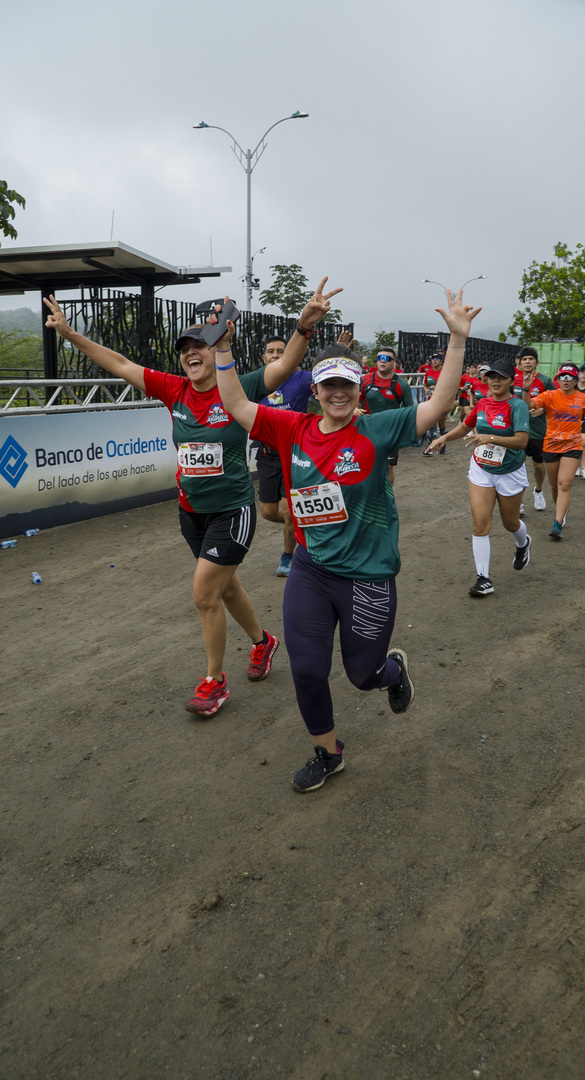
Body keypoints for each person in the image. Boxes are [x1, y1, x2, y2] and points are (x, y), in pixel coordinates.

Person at [212, 284, 480, 791]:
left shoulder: (377, 430)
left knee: (362, 676)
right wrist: (222, 347)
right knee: (308, 670)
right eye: (328, 385)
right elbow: (235, 402)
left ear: (360, 391)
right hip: (311, 571)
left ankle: (392, 672)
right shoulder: (291, 429)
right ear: (315, 390)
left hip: (367, 576)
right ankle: (328, 752)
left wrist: (458, 340)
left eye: (347, 386)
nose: (338, 393)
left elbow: (441, 402)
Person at [43, 280, 341, 717]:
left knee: (204, 594)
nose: (189, 353)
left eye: (198, 345)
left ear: (215, 349)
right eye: (184, 349)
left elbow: (284, 368)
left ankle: (214, 682)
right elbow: (120, 363)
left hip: (232, 511)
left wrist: (303, 326)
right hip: (190, 512)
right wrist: (71, 334)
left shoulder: (238, 387)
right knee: (226, 588)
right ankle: (263, 642)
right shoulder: (174, 389)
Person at [429, 360, 531, 597]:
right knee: (480, 524)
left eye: (501, 377)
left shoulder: (517, 406)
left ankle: (523, 542)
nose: (495, 381)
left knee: (510, 523)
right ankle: (483, 578)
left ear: (510, 381)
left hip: (509, 471)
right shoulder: (483, 403)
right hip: (481, 469)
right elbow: (465, 427)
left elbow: (522, 441)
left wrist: (491, 438)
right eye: (492, 376)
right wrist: (444, 438)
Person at [252, 335, 313, 577]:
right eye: (271, 351)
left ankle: (288, 557)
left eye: (281, 351)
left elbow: (330, 382)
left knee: (289, 511)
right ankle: (305, 524)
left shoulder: (302, 378)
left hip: (294, 455)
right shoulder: (256, 384)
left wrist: (338, 356)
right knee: (268, 512)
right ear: (264, 357)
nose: (276, 355)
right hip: (266, 455)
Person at [523, 362, 585, 540]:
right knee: (554, 486)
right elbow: (529, 404)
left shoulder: (583, 398)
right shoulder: (549, 395)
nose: (566, 380)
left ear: (575, 380)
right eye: (562, 377)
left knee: (564, 483)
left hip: (572, 445)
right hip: (551, 445)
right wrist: (526, 389)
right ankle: (561, 509)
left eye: (570, 377)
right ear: (557, 379)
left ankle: (557, 523)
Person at [358, 347, 414, 484]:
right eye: (380, 358)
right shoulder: (365, 379)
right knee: (365, 467)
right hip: (367, 431)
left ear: (394, 362)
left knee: (387, 468)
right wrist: (354, 410)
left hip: (391, 433)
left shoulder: (402, 384)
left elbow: (410, 411)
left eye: (387, 359)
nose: (383, 361)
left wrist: (406, 433)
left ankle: (387, 496)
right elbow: (356, 402)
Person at [512, 346, 553, 511]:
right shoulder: (512, 380)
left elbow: (556, 402)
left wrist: (543, 410)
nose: (527, 362)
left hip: (537, 430)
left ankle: (538, 491)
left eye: (531, 359)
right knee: (517, 465)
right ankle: (518, 500)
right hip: (517, 430)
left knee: (538, 465)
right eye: (524, 359)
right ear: (520, 363)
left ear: (537, 362)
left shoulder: (545, 381)